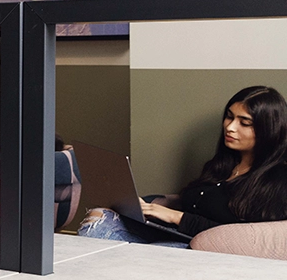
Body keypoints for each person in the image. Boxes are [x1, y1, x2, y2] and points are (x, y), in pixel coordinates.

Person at [78, 85, 287, 245]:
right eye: (229, 117)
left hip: (205, 249)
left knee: (137, 254)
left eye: (245, 123)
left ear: (269, 129)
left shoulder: (278, 180)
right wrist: (146, 205)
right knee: (100, 218)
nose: (230, 127)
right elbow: (192, 202)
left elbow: (246, 239)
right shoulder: (221, 166)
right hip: (177, 234)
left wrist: (177, 217)